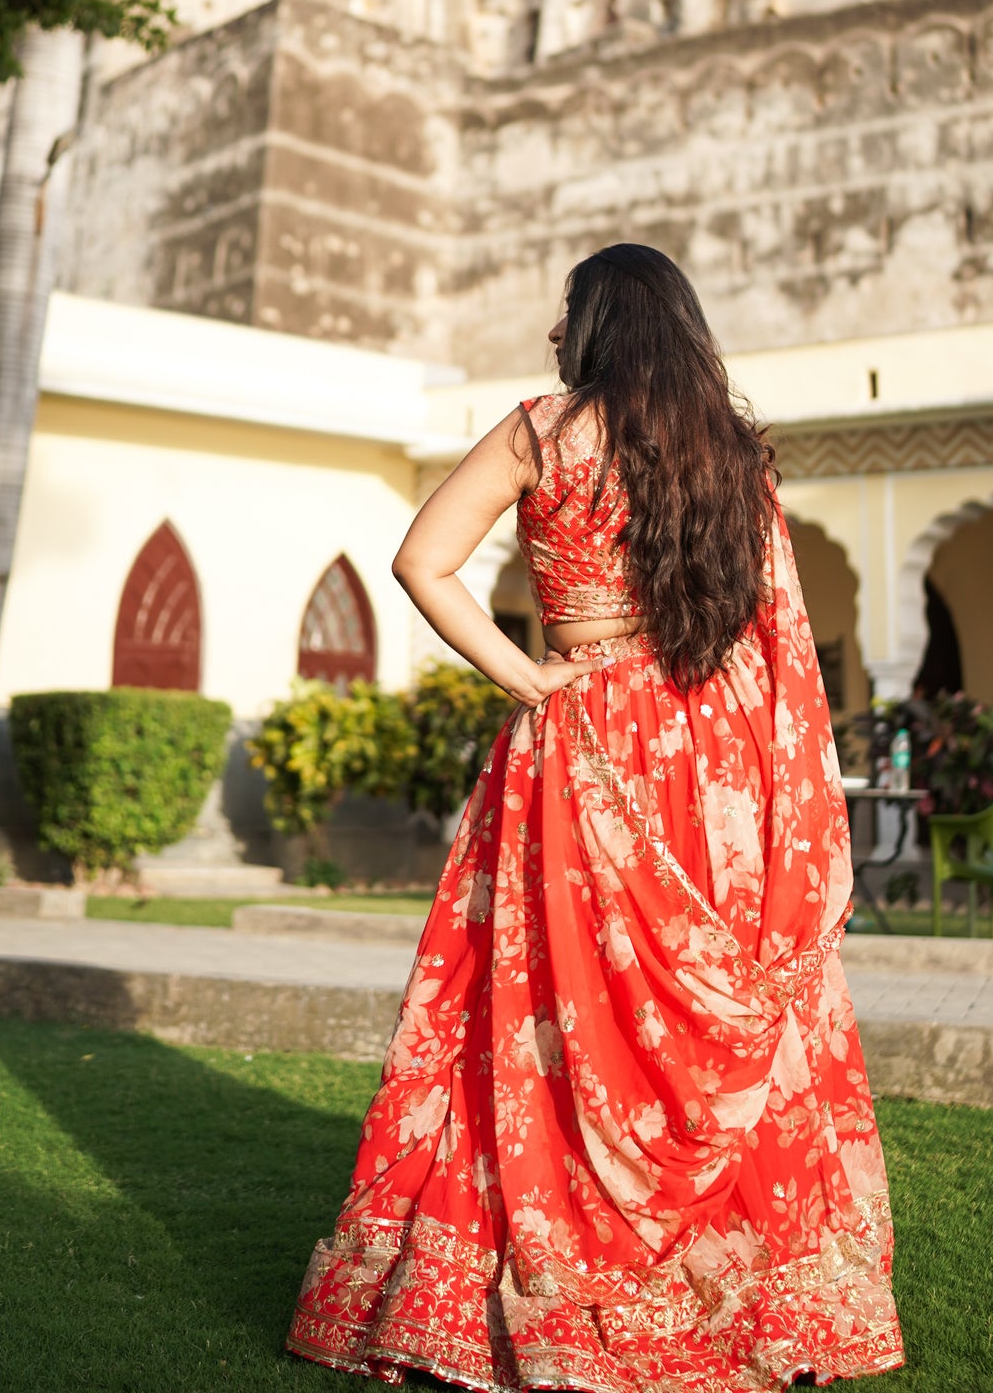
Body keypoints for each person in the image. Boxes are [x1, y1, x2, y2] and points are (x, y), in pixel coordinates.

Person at [288, 244, 904, 1389]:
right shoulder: (729, 448)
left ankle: (543, 1261)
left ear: (597, 324)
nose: (548, 334)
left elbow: (423, 559)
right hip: (712, 756)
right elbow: (780, 645)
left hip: (580, 748)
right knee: (701, 1014)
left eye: (563, 311)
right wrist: (786, 808)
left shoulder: (540, 427)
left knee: (545, 1014)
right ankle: (752, 1302)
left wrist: (525, 677)